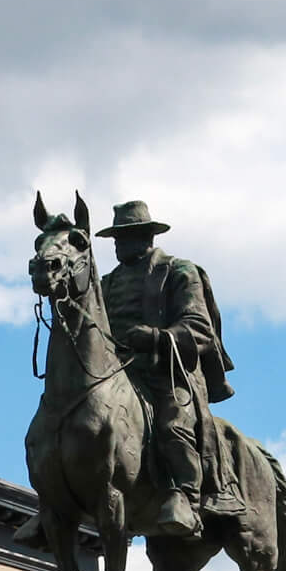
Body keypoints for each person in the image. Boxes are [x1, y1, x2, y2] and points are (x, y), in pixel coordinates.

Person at [94, 200, 243, 540]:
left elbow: (200, 329)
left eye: (126, 236)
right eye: (116, 238)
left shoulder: (179, 271)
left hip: (168, 370)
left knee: (172, 423)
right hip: (117, 376)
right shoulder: (106, 284)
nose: (119, 244)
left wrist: (157, 337)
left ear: (146, 237)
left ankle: (187, 495)